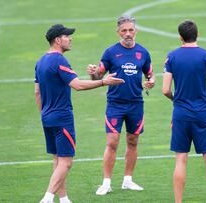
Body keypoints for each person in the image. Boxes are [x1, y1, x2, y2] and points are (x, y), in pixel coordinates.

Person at [34, 24, 124, 203]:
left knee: (58, 160)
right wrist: (104, 82)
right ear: (58, 40)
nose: (70, 38)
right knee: (66, 162)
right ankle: (47, 198)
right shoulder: (59, 60)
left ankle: (64, 198)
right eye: (67, 36)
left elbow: (37, 92)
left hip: (47, 117)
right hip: (61, 118)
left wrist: (44, 112)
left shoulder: (41, 61)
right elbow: (77, 85)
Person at [87, 15, 155, 195]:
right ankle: (106, 182)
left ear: (136, 31)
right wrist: (94, 73)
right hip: (115, 104)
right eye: (124, 30)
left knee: (133, 141)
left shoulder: (143, 52)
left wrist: (151, 81)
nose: (128, 33)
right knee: (112, 142)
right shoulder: (110, 52)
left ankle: (128, 180)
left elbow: (150, 74)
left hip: (135, 104)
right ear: (118, 32)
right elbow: (98, 76)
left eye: (131, 30)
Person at [162, 20, 206, 203]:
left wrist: (178, 98)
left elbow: (165, 90)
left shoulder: (171, 57)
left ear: (180, 37)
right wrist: (204, 92)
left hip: (180, 114)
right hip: (203, 114)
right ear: (197, 34)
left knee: (181, 160)